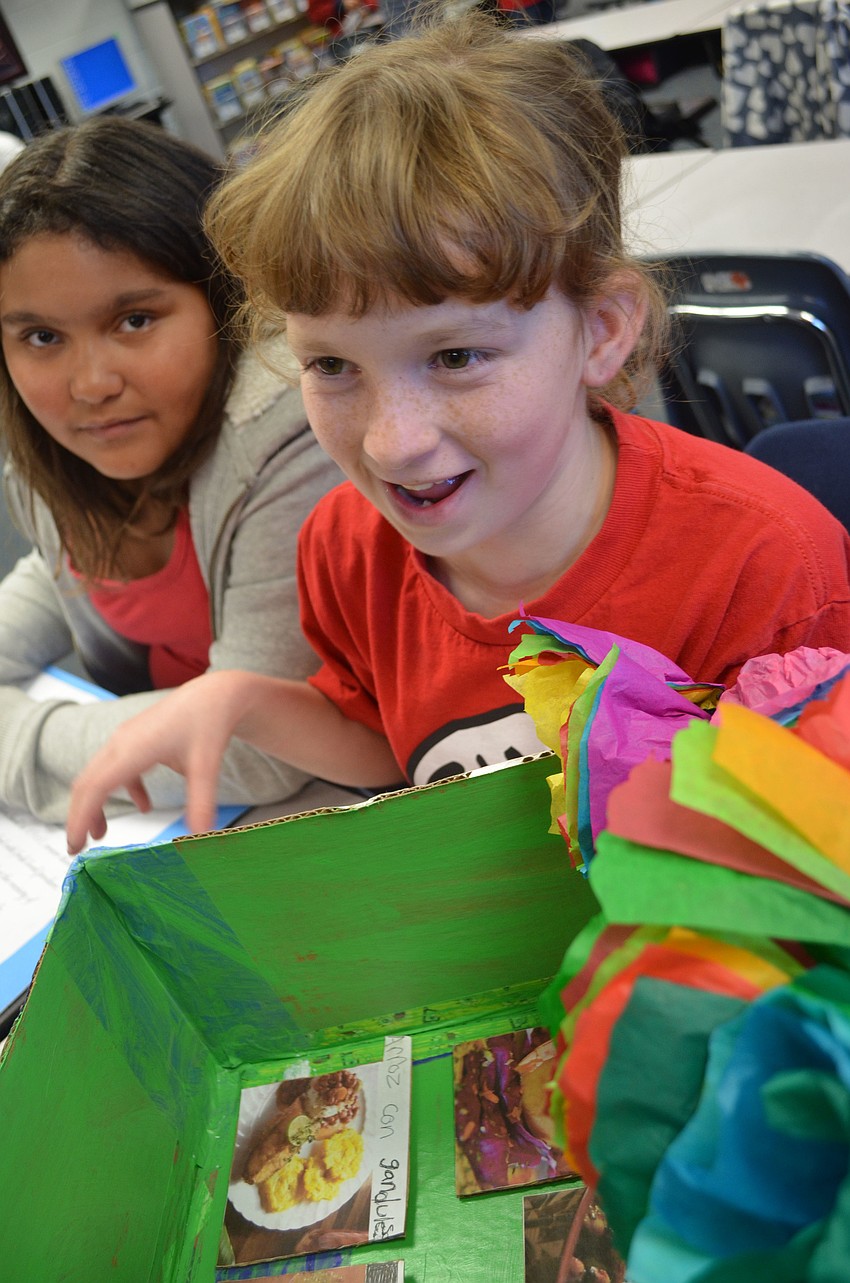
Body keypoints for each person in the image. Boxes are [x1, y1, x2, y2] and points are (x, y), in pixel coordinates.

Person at [66, 14, 850, 852]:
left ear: (603, 329)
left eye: (457, 355)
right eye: (331, 366)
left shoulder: (766, 572)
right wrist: (242, 700)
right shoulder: (344, 548)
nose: (391, 444)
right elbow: (394, 746)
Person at [0, 116, 342, 825]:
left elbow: (264, 748)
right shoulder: (51, 449)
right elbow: (61, 571)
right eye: (41, 337)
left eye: (134, 321)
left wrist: (17, 740)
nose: (89, 384)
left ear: (224, 296)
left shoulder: (289, 431)